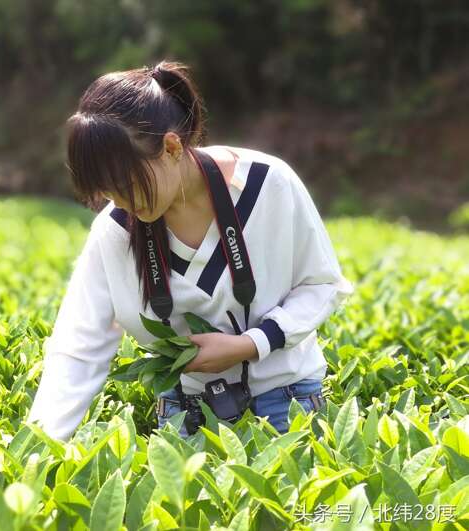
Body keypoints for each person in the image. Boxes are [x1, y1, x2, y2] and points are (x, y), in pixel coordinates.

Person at [25, 60, 355, 441]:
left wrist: (251, 344)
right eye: (106, 191)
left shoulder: (267, 184)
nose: (117, 202)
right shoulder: (115, 229)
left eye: (124, 185)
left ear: (170, 146)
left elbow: (322, 284)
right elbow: (78, 348)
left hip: (287, 400)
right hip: (186, 411)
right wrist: (38, 449)